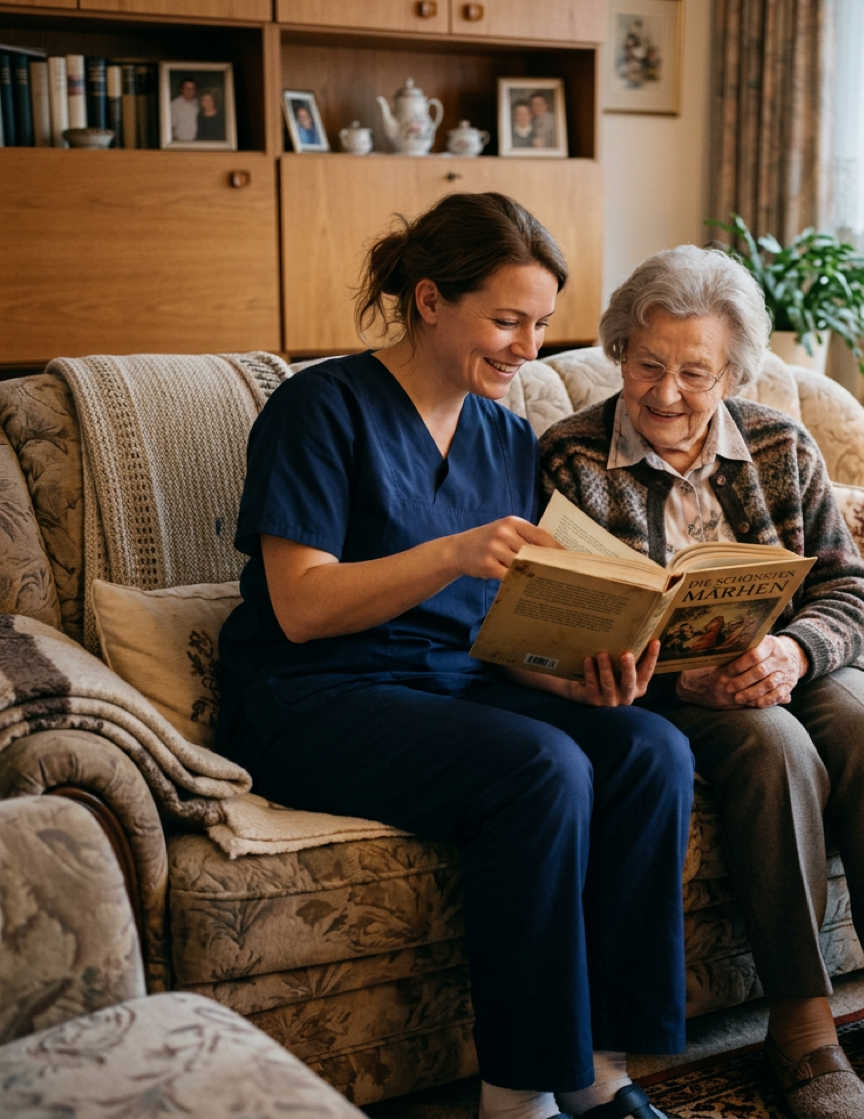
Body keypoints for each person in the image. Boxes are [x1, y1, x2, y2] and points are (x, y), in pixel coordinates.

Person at [216, 194, 693, 1119]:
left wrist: (580, 671)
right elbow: (302, 607)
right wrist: (452, 550)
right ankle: (518, 1100)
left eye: (543, 325)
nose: (529, 347)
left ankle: (602, 1075)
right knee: (539, 767)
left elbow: (493, 634)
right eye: (507, 320)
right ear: (430, 300)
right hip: (314, 696)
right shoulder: (319, 406)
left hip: (452, 687)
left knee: (647, 747)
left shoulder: (505, 434)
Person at [539, 245, 864, 1119]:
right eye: (647, 363)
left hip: (792, 658)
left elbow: (848, 584)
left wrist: (798, 652)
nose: (666, 393)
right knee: (776, 749)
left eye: (694, 372)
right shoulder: (571, 458)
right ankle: (804, 1028)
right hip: (679, 690)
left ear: (733, 370)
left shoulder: (780, 440)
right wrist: (679, 683)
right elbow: (570, 623)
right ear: (619, 349)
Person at [170, 76, 198, 141]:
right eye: (187, 88)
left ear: (195, 91)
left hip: (196, 142)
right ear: (181, 89)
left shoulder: (198, 104)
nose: (189, 91)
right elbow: (169, 127)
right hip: (179, 143)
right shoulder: (173, 105)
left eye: (192, 89)